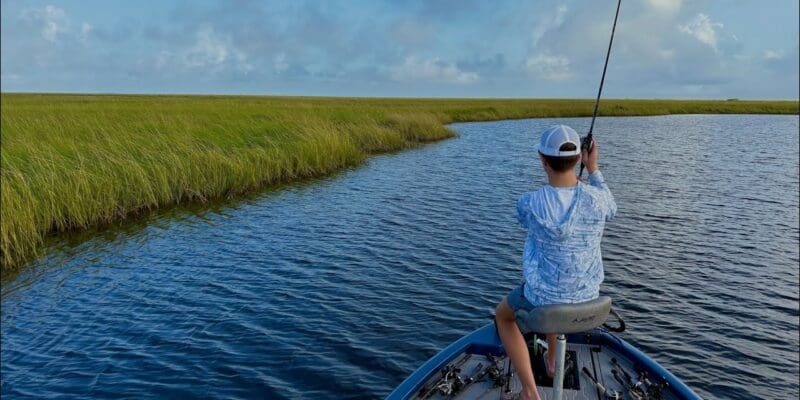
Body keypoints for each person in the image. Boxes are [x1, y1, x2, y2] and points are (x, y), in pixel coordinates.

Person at [494, 125, 617, 400]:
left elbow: (523, 219)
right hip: (588, 297)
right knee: (559, 290)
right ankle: (551, 363)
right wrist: (593, 168)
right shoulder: (598, 199)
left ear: (542, 159)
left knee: (503, 316)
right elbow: (612, 206)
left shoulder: (529, 202)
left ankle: (529, 391)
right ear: (579, 159)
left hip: (544, 297)